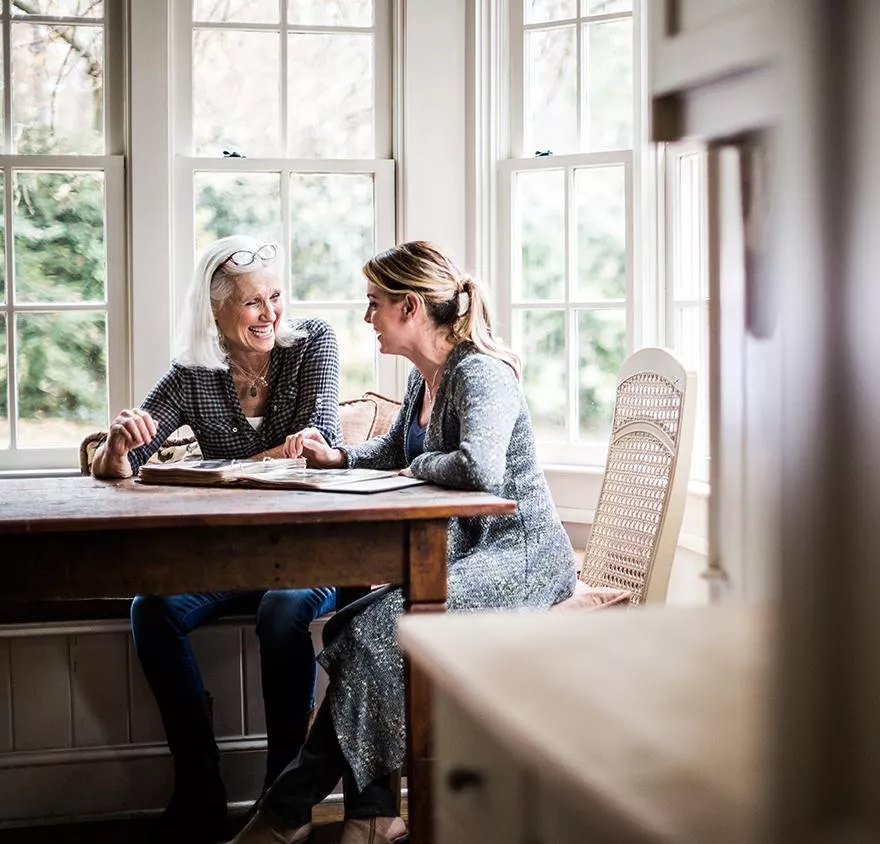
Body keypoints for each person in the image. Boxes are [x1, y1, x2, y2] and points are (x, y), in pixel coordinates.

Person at [228, 241, 577, 844]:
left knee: (369, 632)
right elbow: (394, 452)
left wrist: (409, 472)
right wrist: (336, 457)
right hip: (465, 554)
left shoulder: (480, 374)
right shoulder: (425, 380)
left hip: (518, 558)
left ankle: (285, 813)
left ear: (410, 306)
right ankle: (373, 813)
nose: (367, 319)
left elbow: (480, 468)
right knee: (346, 628)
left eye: (374, 304)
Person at [91, 235, 343, 843]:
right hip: (232, 557)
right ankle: (200, 783)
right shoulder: (193, 374)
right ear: (215, 311)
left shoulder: (312, 345)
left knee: (284, 609)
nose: (270, 313)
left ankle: (282, 800)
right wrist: (119, 449)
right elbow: (116, 465)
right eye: (253, 302)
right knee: (151, 610)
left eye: (275, 296)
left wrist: (301, 454)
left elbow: (324, 447)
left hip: (311, 551)